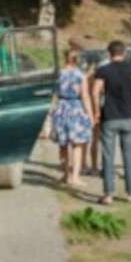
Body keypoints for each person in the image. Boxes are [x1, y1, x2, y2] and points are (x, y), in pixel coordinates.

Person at [90, 40, 131, 204]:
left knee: (108, 156)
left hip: (109, 117)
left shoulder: (103, 70)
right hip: (127, 117)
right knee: (129, 155)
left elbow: (94, 92)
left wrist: (96, 111)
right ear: (124, 52)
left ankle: (108, 194)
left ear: (109, 53)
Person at [50, 47, 94, 189]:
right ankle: (75, 177)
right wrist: (91, 115)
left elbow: (54, 95)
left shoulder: (57, 74)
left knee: (63, 144)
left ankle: (65, 175)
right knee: (77, 144)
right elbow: (85, 96)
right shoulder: (81, 75)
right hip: (76, 108)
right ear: (78, 60)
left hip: (61, 108)